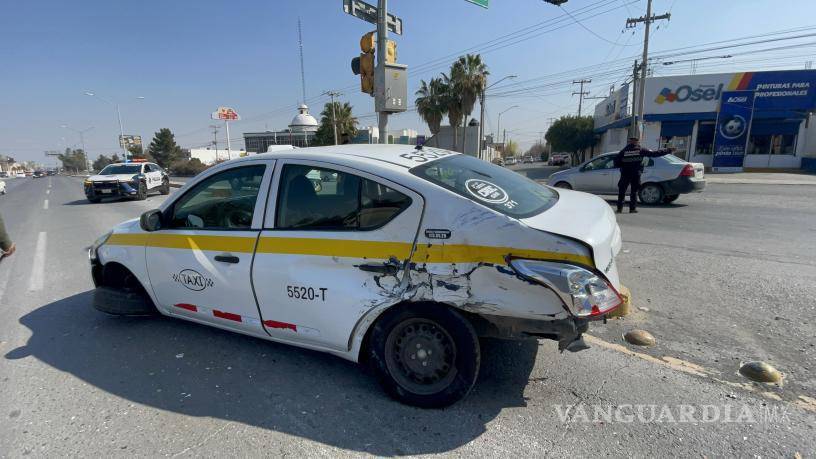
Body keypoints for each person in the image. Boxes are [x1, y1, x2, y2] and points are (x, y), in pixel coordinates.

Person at [613, 137, 673, 213]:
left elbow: (616, 162)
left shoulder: (623, 151)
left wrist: (623, 166)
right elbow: (654, 154)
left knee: (622, 191)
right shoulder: (641, 150)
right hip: (636, 174)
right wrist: (668, 150)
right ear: (637, 142)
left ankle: (619, 209)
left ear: (630, 142)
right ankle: (632, 209)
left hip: (625, 173)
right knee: (634, 192)